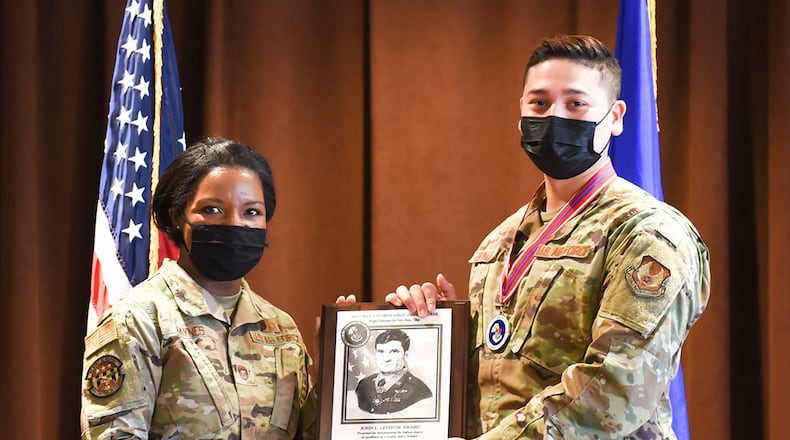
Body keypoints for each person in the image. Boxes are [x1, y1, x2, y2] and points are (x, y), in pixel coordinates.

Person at [341, 35, 710, 438]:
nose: (555, 117)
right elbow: (489, 387)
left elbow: (615, 393)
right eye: (539, 103)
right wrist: (436, 336)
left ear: (616, 117)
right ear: (521, 115)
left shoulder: (647, 232)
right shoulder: (500, 241)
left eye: (576, 103)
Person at [80, 137, 316, 439]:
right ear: (178, 216)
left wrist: (340, 364)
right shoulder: (139, 319)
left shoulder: (281, 329)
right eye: (213, 209)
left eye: (252, 212)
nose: (236, 224)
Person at [354, 328, 433, 414]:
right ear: (375, 353)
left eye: (394, 351)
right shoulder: (363, 385)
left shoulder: (419, 389)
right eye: (381, 351)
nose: (386, 358)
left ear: (406, 355)